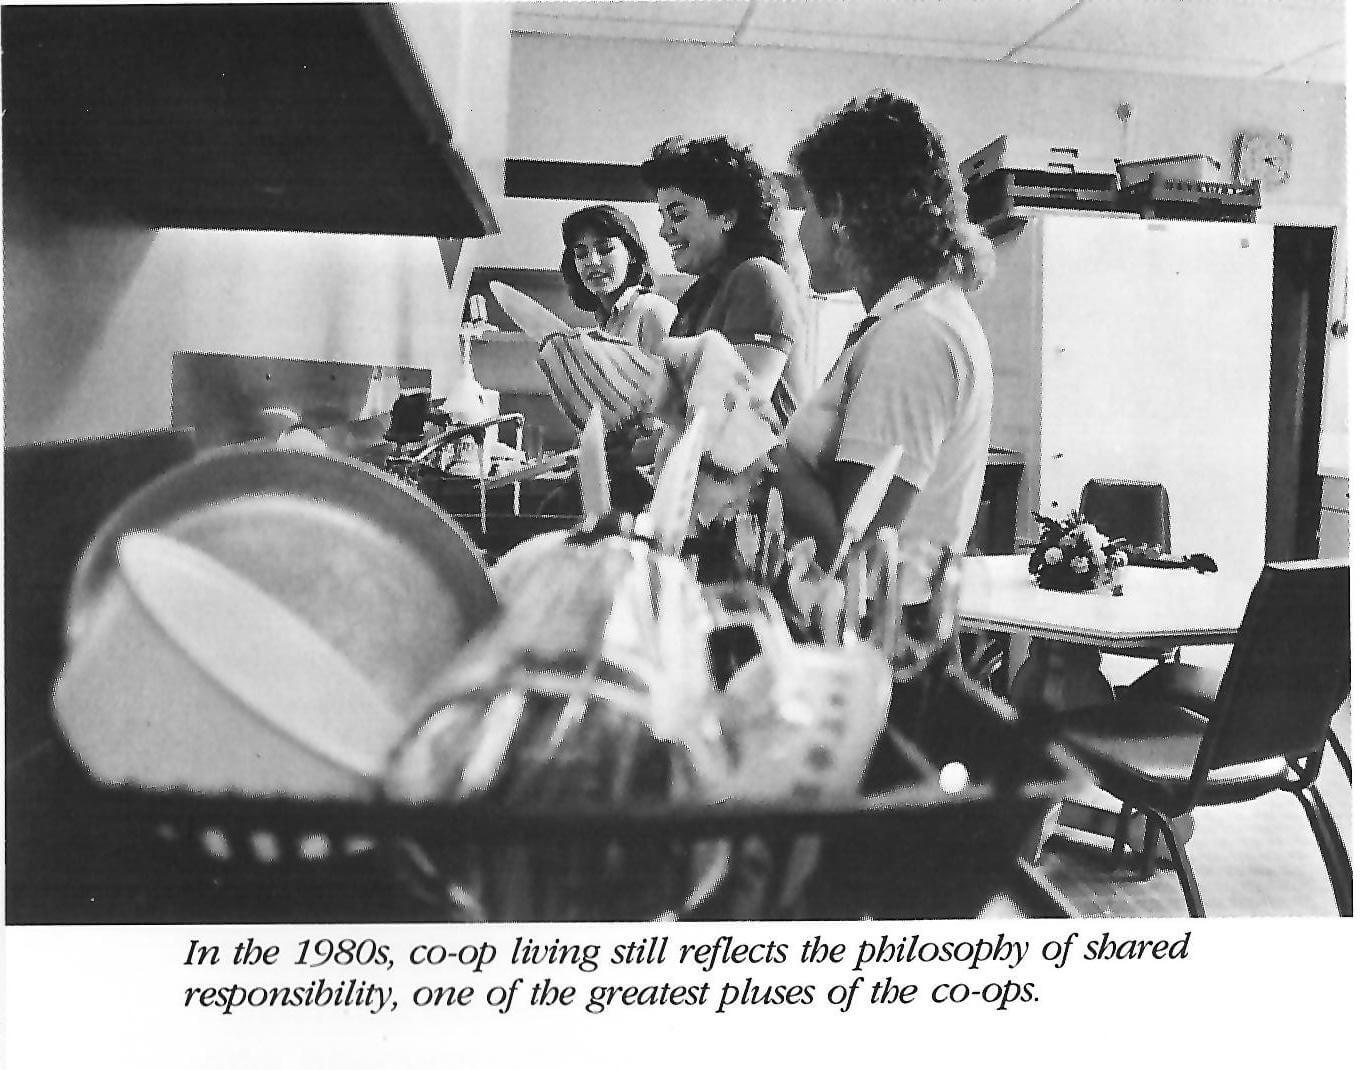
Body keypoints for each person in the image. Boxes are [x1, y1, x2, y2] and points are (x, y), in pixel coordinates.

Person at [776, 90, 995, 618]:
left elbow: (858, 550)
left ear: (841, 211)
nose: (798, 230)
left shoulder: (914, 335)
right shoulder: (903, 320)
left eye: (804, 208)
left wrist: (750, 445)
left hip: (881, 651)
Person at [641, 134, 809, 422]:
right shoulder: (697, 297)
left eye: (678, 215)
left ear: (727, 217)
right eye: (663, 216)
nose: (664, 231)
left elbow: (736, 418)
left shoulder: (760, 278)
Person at [559, 204, 676, 355]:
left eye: (605, 249)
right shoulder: (605, 322)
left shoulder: (653, 311)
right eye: (581, 254)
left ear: (631, 254)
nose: (592, 261)